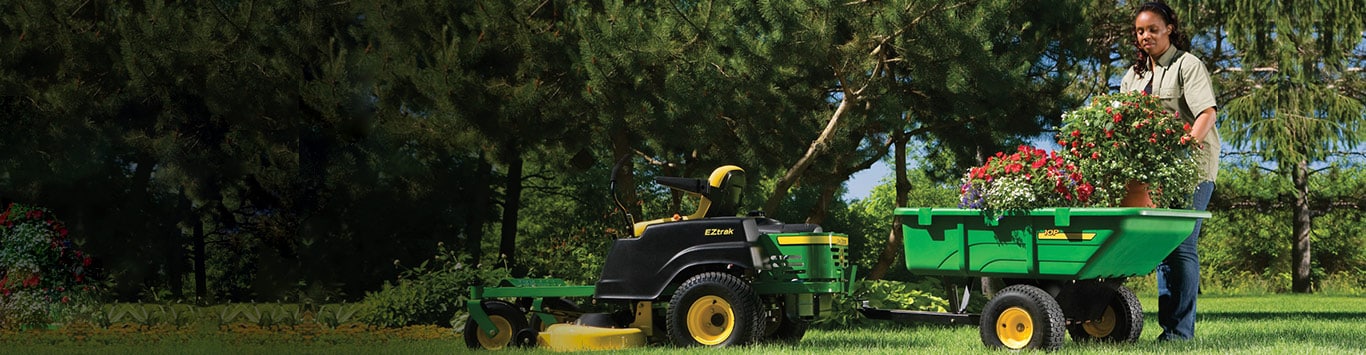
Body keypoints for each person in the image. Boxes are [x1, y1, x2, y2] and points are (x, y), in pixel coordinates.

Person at [1117, 1, 1219, 341]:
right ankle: (1169, 330)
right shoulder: (1134, 76)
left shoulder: (1186, 65)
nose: (1145, 36)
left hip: (1192, 168)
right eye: (1140, 31)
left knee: (1183, 246)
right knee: (1162, 248)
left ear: (1169, 29)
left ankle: (1180, 333)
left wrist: (1186, 145)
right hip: (1156, 171)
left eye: (1152, 30)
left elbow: (1206, 113)